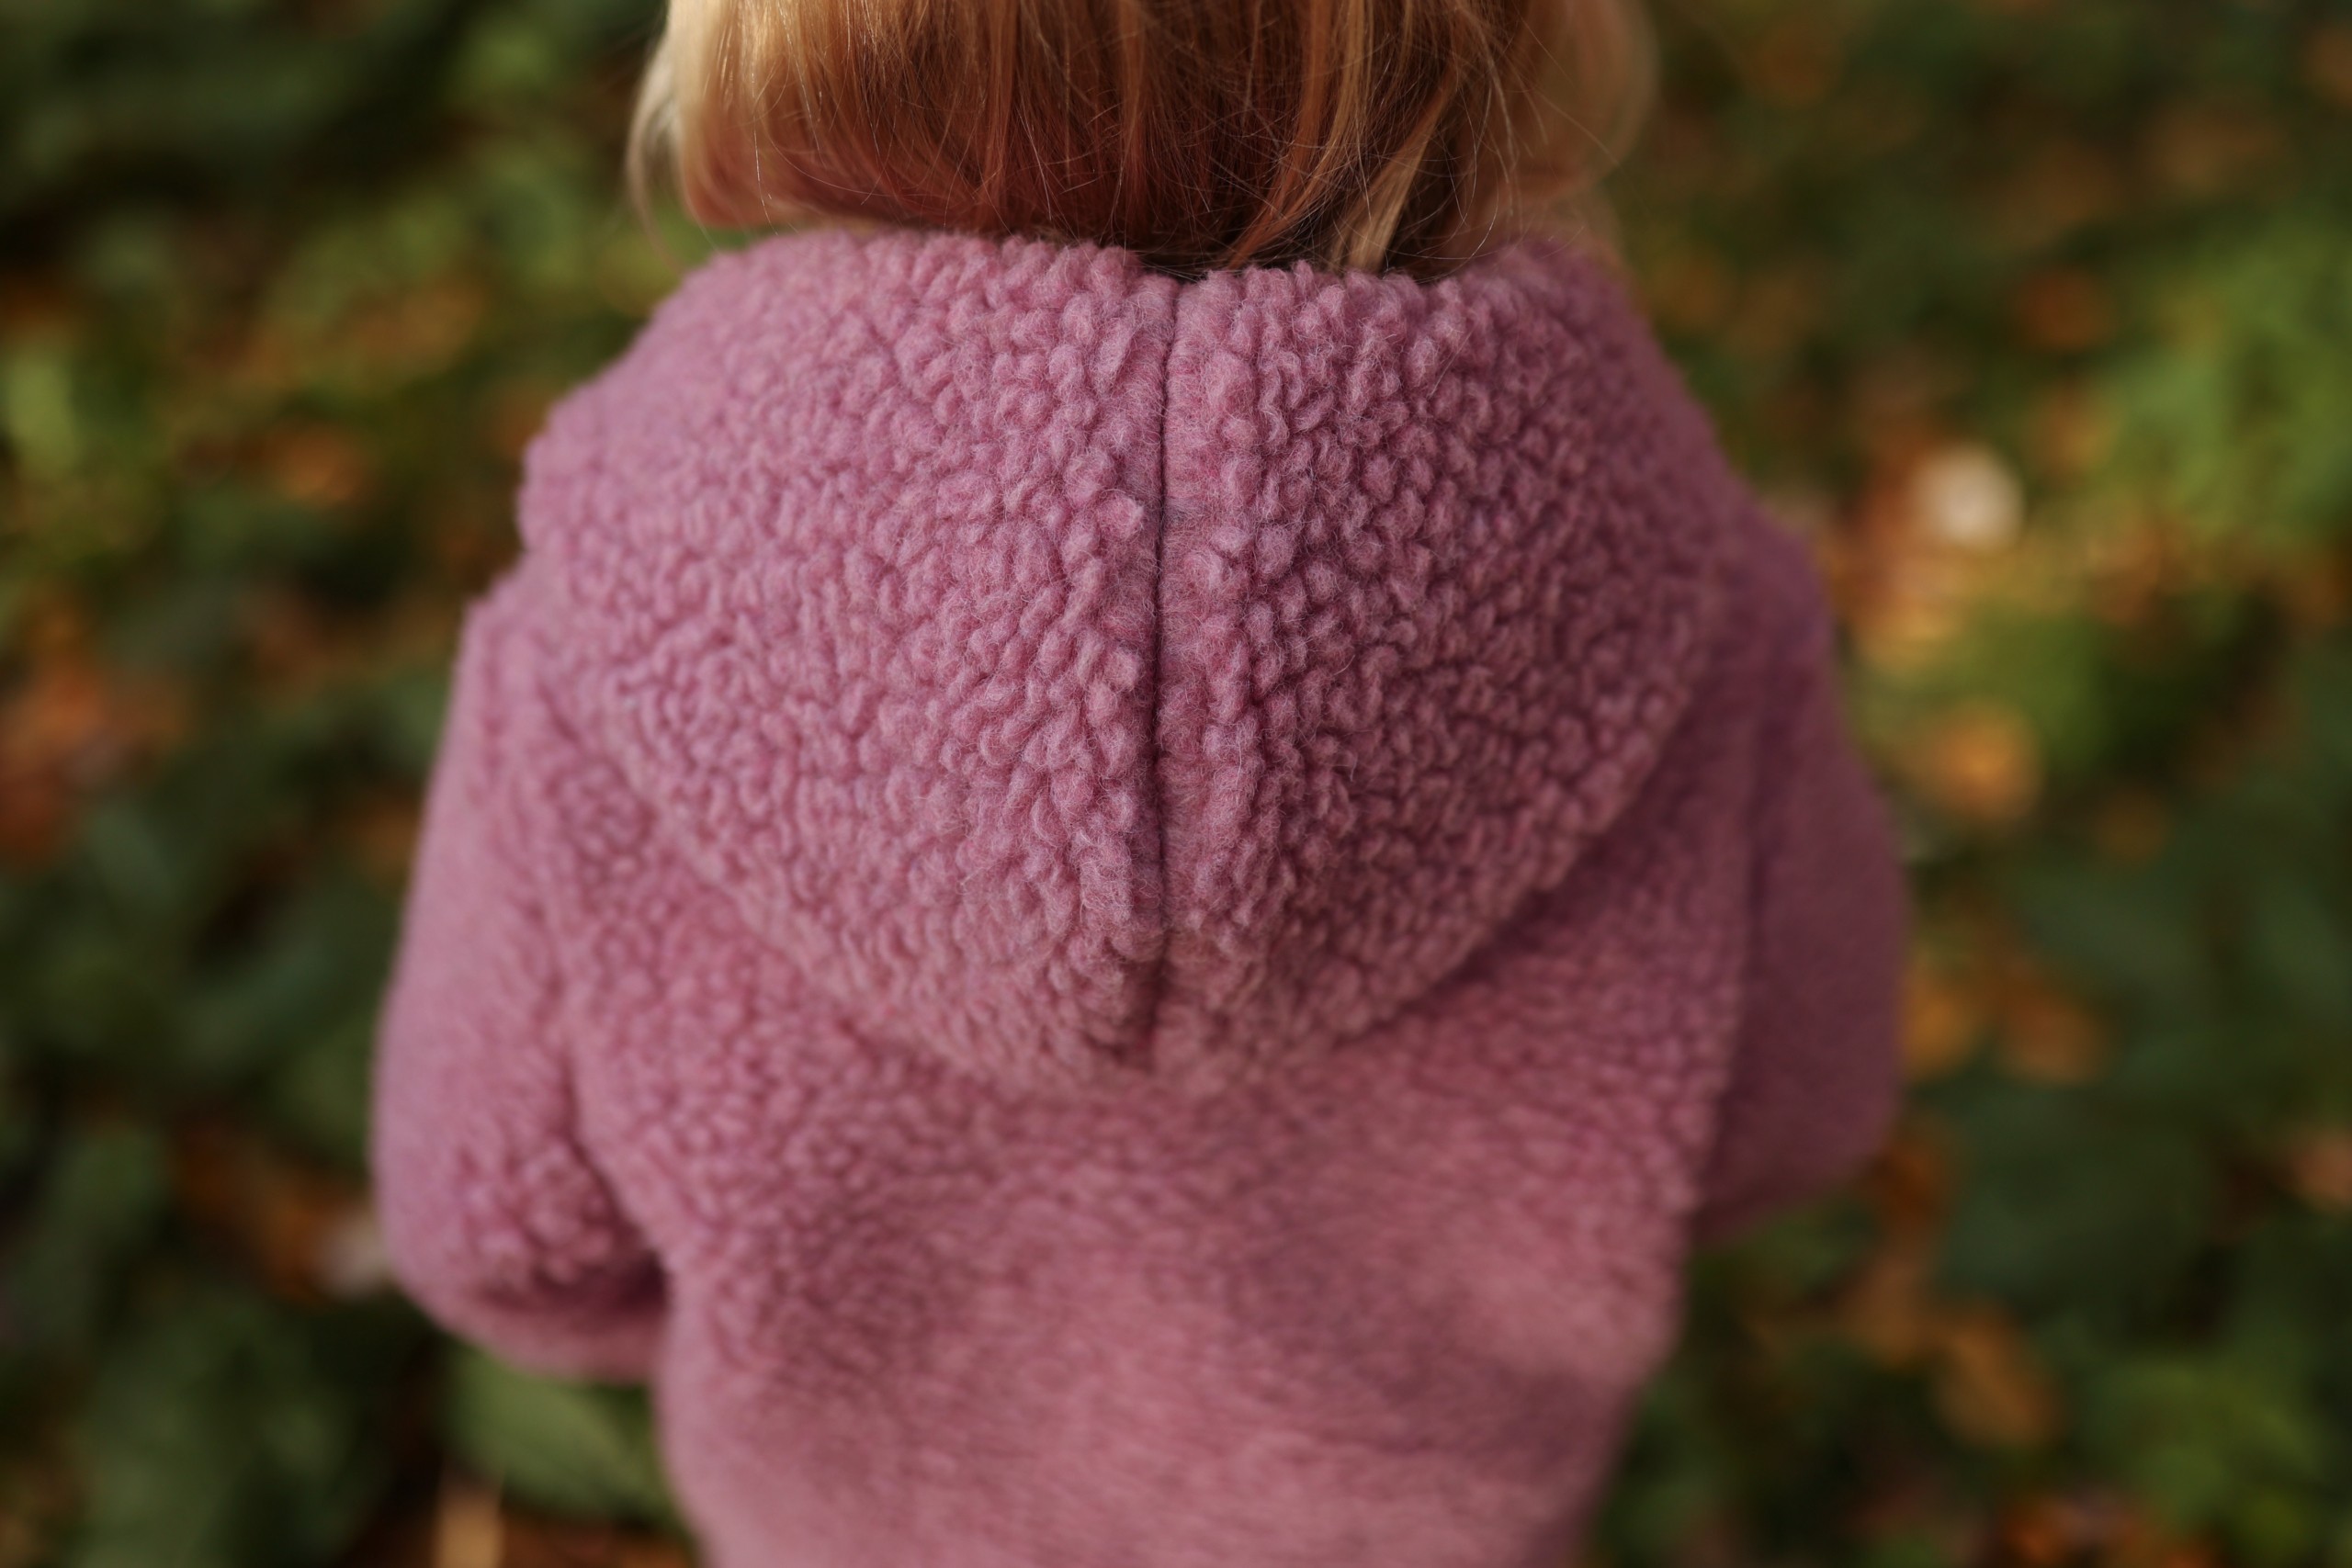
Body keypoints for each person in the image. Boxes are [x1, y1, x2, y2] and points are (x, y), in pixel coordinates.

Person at [371, 1, 1906, 1562]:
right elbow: (1798, 1109)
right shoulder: (1701, 621)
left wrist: (804, 1338)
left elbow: (493, 1225)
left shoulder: (589, 646)